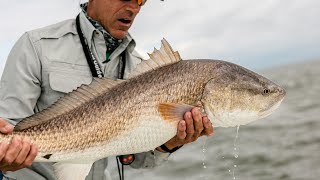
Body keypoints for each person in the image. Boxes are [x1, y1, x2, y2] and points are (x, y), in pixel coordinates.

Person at [0, 0, 214, 179]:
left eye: (141, 0)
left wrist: (170, 143)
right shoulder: (36, 45)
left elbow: (138, 160)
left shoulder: (141, 69)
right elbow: (7, 129)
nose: (134, 8)